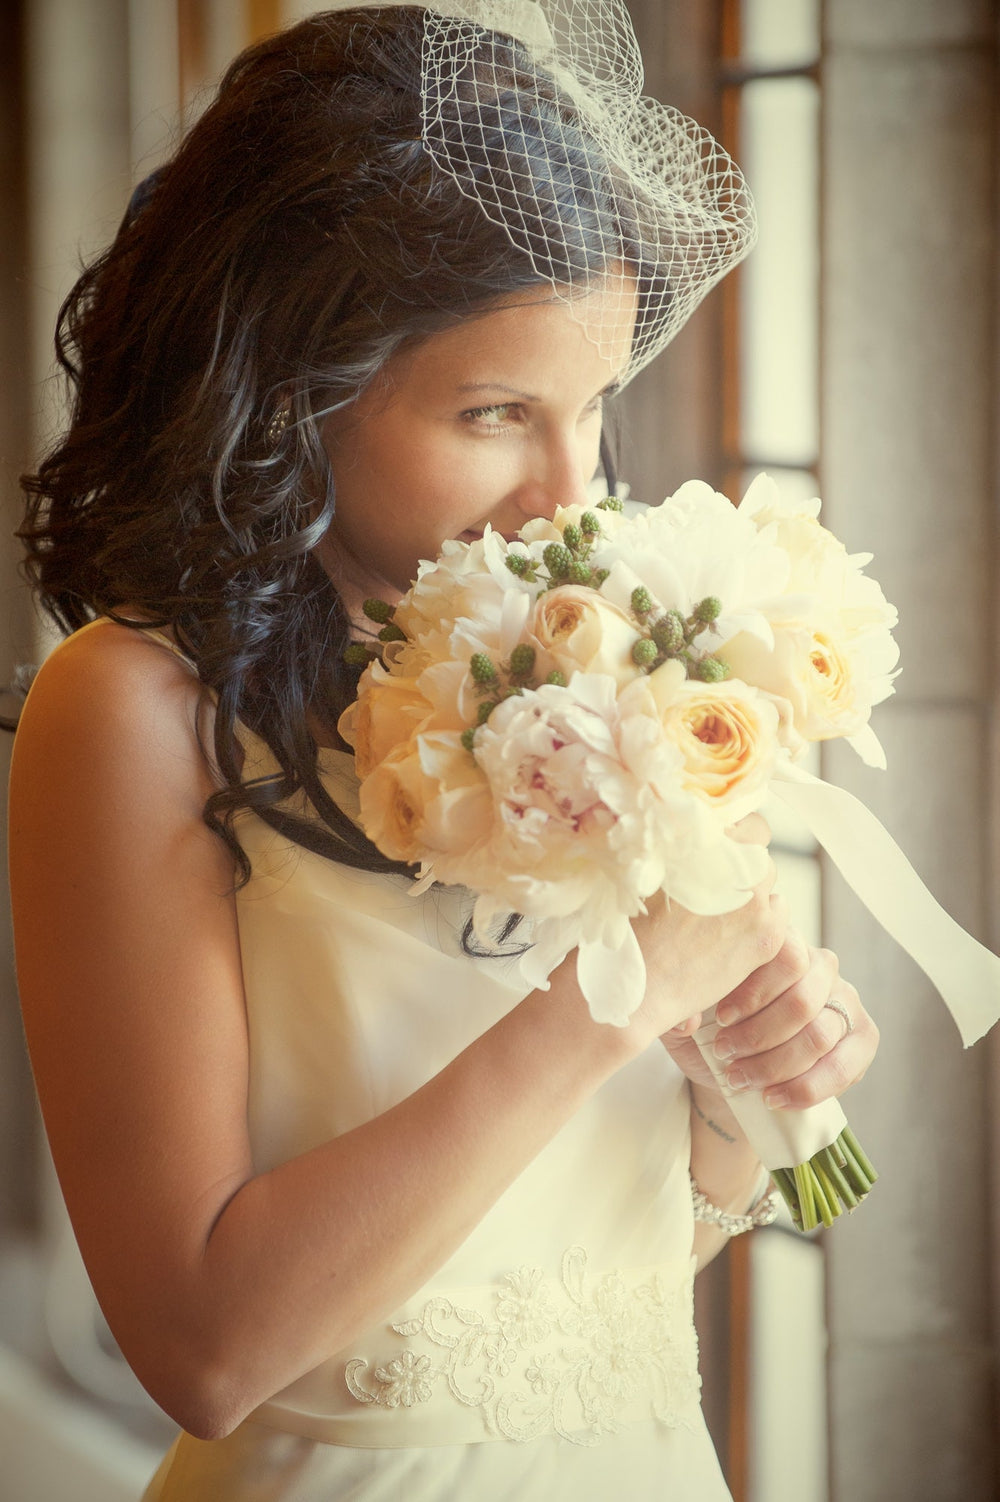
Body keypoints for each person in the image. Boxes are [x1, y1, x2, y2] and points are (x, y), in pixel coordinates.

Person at [9, 5, 878, 1499]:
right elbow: (205, 1348)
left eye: (593, 408)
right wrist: (604, 1006)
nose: (563, 492)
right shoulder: (130, 707)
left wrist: (736, 1095)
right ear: (298, 386)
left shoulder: (579, 667)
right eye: (494, 413)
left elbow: (580, 1276)